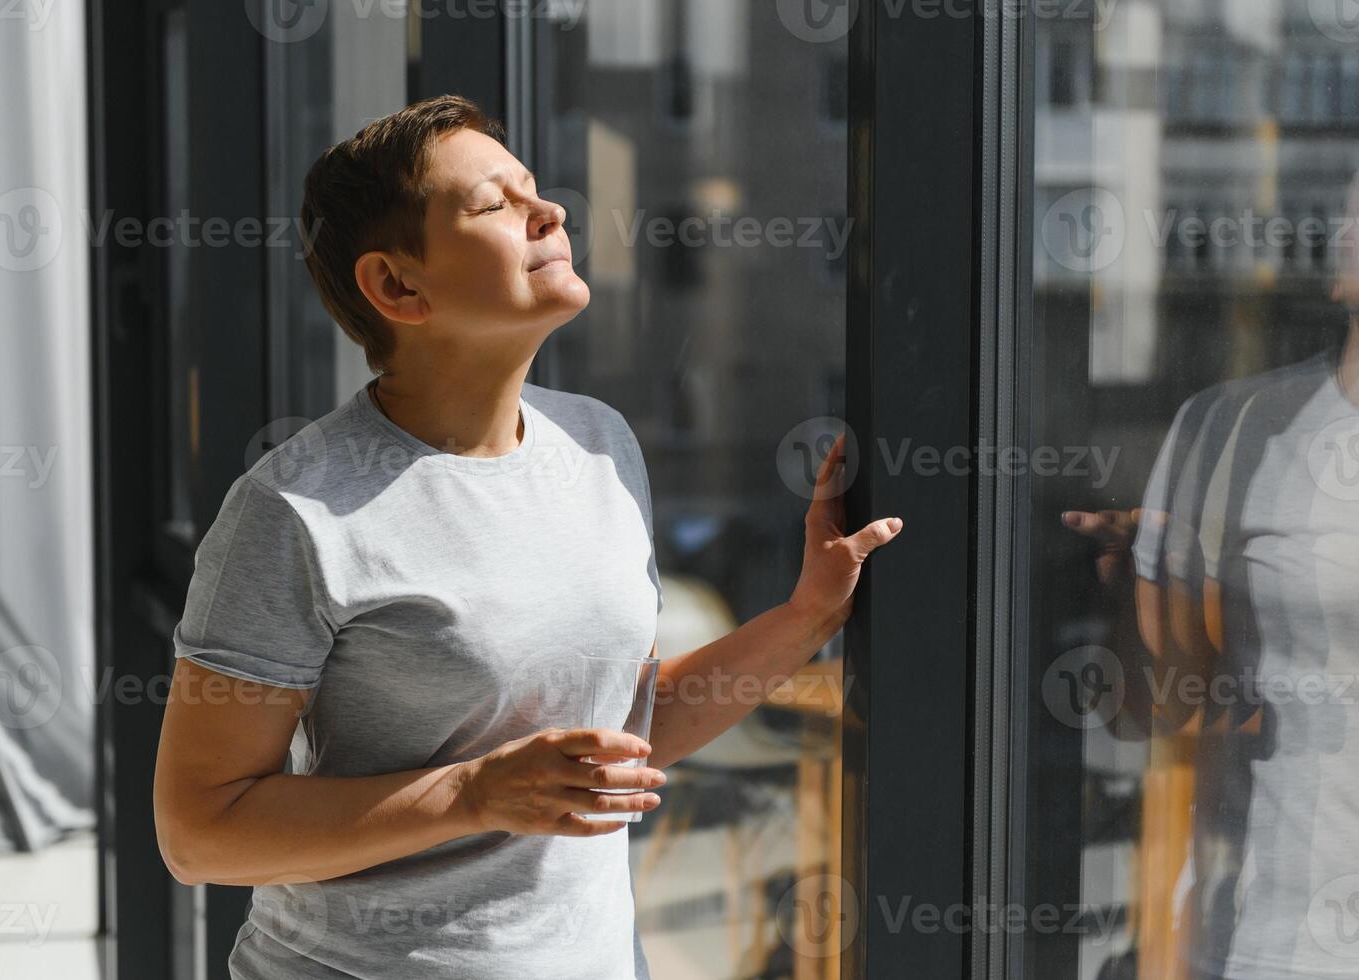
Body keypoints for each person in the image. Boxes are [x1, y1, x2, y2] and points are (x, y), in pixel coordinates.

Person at [151, 94, 902, 980]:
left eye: (533, 190)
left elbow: (612, 741)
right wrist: (474, 793)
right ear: (397, 286)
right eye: (493, 205)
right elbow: (201, 836)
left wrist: (806, 618)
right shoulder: (294, 510)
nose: (549, 213)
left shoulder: (599, 444)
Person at [1064, 172, 1359, 979]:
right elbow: (1153, 704)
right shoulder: (1235, 429)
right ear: (1341, 265)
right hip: (1283, 932)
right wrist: (1132, 575)